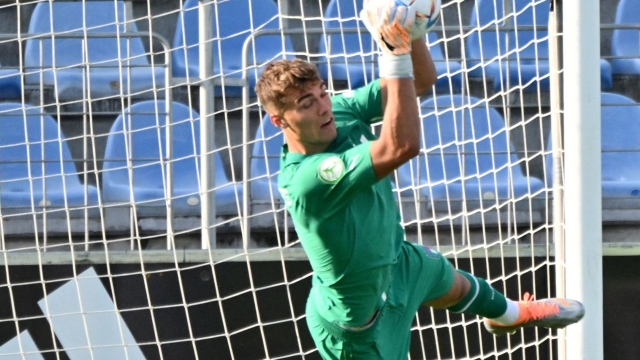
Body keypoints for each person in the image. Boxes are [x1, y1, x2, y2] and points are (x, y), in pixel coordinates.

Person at [254, 1, 585, 358]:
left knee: (450, 282)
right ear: (279, 120)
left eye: (322, 92)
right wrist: (393, 52)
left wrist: (413, 34)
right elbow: (400, 146)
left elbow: (422, 80)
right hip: (359, 322)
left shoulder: (339, 109)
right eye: (306, 103)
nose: (323, 107)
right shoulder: (307, 180)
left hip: (398, 261)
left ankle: (511, 315)